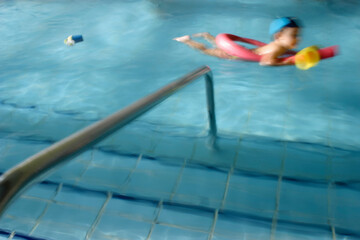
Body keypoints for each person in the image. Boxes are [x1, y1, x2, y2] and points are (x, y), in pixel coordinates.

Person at [173, 17, 301, 66]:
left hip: (242, 51)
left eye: (298, 35)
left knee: (220, 47)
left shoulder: (280, 45)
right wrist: (287, 63)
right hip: (233, 56)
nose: (298, 38)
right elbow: (265, 62)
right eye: (294, 35)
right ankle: (187, 40)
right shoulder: (278, 48)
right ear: (279, 36)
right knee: (205, 50)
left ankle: (208, 36)